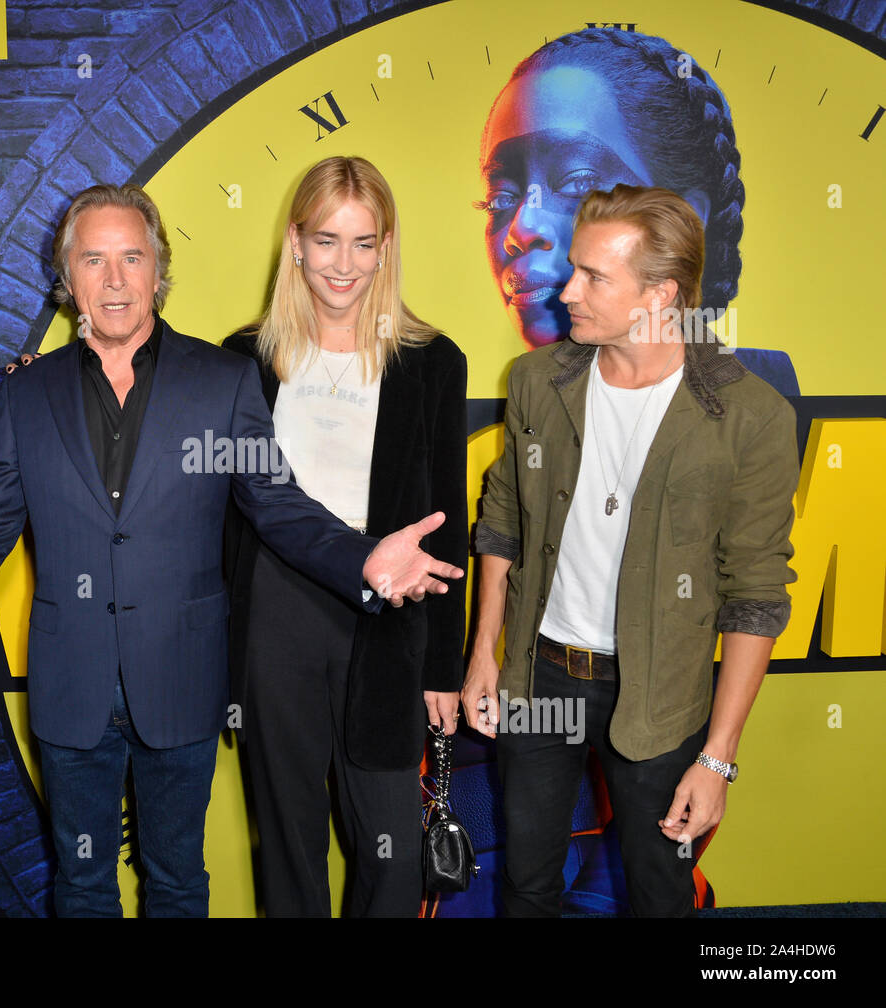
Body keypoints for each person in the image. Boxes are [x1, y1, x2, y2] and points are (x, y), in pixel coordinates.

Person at [0, 183, 461, 917]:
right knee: (82, 885)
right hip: (70, 684)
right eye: (93, 260)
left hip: (180, 677)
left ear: (158, 270)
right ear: (67, 278)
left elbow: (276, 506)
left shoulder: (222, 380)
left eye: (132, 258)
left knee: (177, 882)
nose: (114, 280)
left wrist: (362, 559)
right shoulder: (26, 393)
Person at [462, 184, 797, 916]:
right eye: (573, 268)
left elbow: (756, 596)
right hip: (538, 676)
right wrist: (485, 653)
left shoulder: (749, 417)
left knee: (658, 893)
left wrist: (717, 758)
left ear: (659, 295)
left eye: (592, 277)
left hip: (660, 697)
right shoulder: (536, 382)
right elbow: (502, 523)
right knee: (526, 884)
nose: (566, 289)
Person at [223, 156, 467, 916]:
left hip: (390, 620)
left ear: (387, 248)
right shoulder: (244, 360)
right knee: (288, 845)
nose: (344, 264)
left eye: (365, 244)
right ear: (295, 242)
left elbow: (447, 519)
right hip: (275, 613)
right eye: (327, 240)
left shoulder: (432, 362)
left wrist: (442, 668)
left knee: (390, 856)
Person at [477, 26, 799, 394]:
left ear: (684, 222)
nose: (523, 227)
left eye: (577, 182)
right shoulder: (530, 390)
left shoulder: (758, 396)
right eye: (501, 197)